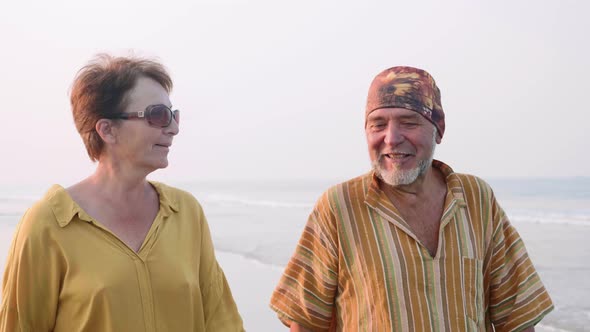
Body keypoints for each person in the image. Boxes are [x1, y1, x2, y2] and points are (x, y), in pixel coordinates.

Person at [270, 66, 553, 331]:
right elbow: (306, 322)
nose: (391, 138)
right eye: (378, 124)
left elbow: (516, 317)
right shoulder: (339, 206)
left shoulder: (476, 199)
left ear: (438, 127)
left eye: (408, 122)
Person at [0, 54, 244, 331]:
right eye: (158, 116)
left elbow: (220, 320)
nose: (174, 128)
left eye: (173, 115)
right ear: (107, 130)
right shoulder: (48, 224)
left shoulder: (186, 213)